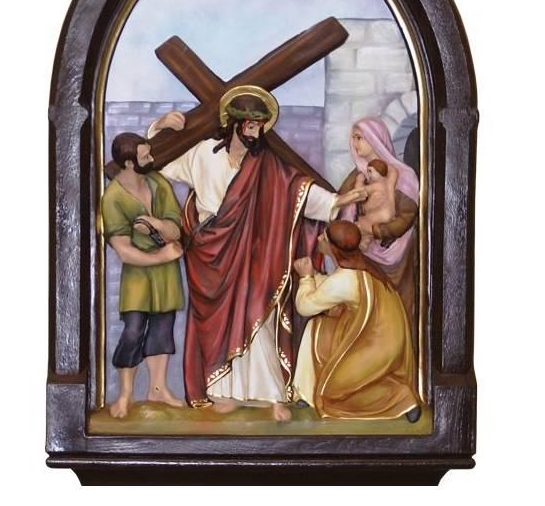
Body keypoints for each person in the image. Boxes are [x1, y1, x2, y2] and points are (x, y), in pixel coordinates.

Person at [149, 85, 367, 421]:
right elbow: (160, 161)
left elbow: (295, 190)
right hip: (211, 253)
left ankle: (272, 395)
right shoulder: (202, 153)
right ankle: (223, 391)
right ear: (234, 123)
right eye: (250, 125)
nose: (255, 133)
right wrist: (160, 126)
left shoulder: (266, 164)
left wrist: (338, 201)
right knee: (218, 326)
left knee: (258, 312)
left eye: (259, 126)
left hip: (253, 251)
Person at [292, 220, 420, 421]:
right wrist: (314, 277)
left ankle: (401, 398)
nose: (319, 238)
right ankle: (305, 393)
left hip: (376, 346)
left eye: (324, 237)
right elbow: (332, 287)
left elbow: (305, 307)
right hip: (380, 335)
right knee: (318, 329)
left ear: (334, 247)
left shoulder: (345, 279)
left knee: (334, 396)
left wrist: (306, 278)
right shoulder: (362, 266)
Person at [101, 132, 186, 419]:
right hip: (137, 276)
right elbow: (124, 251)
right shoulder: (113, 198)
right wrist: (161, 256)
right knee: (133, 332)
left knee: (163, 329)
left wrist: (155, 224)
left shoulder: (158, 183)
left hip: (166, 275)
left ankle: (158, 389)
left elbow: (175, 229)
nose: (151, 158)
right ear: (128, 163)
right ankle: (125, 394)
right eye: (145, 156)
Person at [337, 117, 420, 328]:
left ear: (375, 139)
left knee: (396, 311)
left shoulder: (404, 176)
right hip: (363, 253)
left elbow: (407, 215)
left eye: (360, 137)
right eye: (353, 138)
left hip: (395, 255)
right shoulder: (357, 176)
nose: (355, 143)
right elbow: (338, 203)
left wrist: (377, 231)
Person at [355, 159, 399, 249]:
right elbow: (394, 171)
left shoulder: (376, 186)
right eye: (368, 171)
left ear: (379, 171)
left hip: (380, 215)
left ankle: (365, 241)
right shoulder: (388, 182)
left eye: (370, 171)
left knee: (360, 224)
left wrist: (359, 181)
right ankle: (366, 241)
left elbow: (358, 193)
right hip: (388, 215)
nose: (368, 175)